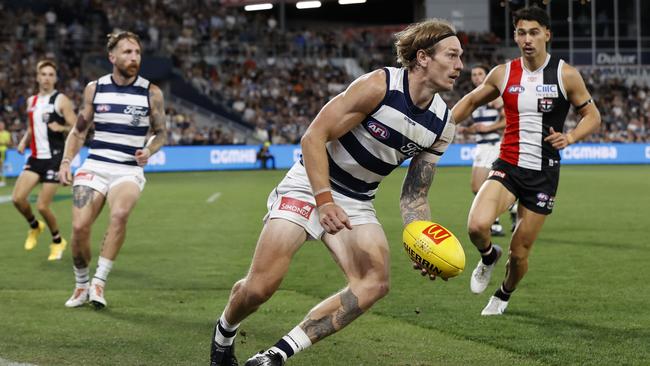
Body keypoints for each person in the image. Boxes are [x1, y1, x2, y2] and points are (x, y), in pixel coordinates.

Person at [210, 19, 462, 366]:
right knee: (259, 289)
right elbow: (313, 136)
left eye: (460, 57)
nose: (459, 65)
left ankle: (275, 356)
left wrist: (424, 241)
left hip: (358, 200)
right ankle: (224, 331)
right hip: (310, 185)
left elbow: (414, 196)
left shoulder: (443, 124)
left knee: (375, 282)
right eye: (451, 55)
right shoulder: (380, 85)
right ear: (422, 57)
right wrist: (324, 200)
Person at [451, 6, 601, 316]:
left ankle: (504, 293)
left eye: (534, 32)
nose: (527, 39)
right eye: (521, 33)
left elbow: (592, 115)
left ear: (547, 34)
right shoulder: (503, 73)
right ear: (516, 37)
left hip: (544, 175)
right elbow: (470, 101)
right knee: (477, 225)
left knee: (519, 254)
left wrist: (570, 137)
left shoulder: (566, 74)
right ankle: (489, 256)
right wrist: (442, 126)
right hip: (507, 166)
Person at [59, 31, 167, 309]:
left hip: (127, 170)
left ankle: (99, 282)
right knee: (80, 227)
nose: (134, 57)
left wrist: (149, 150)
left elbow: (161, 133)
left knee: (119, 215)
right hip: (95, 165)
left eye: (137, 52)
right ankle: (81, 284)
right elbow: (79, 131)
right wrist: (66, 161)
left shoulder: (151, 92)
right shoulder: (95, 89)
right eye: (128, 52)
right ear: (112, 57)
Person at [11, 60, 75, 260]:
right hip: (36, 157)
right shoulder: (32, 101)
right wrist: (23, 141)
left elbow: (76, 127)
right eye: (43, 74)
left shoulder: (61, 100)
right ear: (37, 77)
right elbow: (32, 127)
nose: (47, 78)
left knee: (42, 206)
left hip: (54, 158)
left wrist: (62, 128)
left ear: (55, 78)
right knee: (17, 199)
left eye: (50, 75)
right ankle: (35, 226)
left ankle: (57, 241)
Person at [459, 64, 509, 236]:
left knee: (478, 185)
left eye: (480, 73)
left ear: (487, 75)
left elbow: (507, 121)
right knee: (477, 187)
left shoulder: (493, 97)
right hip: (482, 146)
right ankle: (512, 207)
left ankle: (494, 224)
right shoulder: (476, 98)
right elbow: (481, 125)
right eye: (474, 74)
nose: (477, 77)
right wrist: (468, 130)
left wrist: (487, 129)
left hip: (492, 146)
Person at [0, 120, 11, 187]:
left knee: (1, 165)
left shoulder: (7, 133)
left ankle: (3, 181)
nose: (1, 126)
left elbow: (9, 142)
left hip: (3, 151)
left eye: (1, 125)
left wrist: (3, 143)